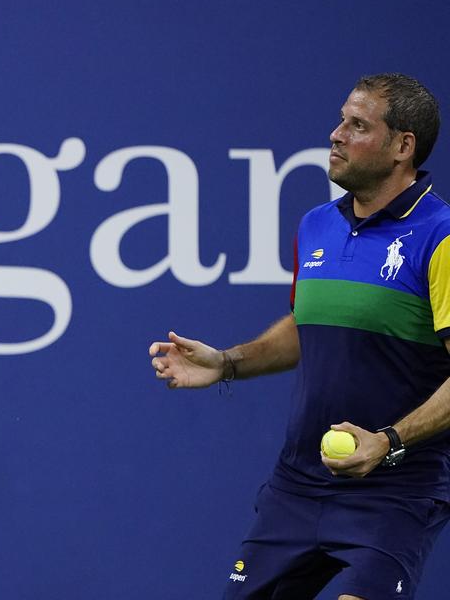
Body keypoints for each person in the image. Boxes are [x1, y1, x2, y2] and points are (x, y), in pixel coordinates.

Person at [151, 73, 450, 599]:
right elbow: (308, 326)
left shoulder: (440, 236)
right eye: (340, 120)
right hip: (296, 486)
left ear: (404, 146)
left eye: (357, 125)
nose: (335, 134)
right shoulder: (318, 224)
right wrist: (228, 362)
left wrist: (387, 442)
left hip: (394, 494)